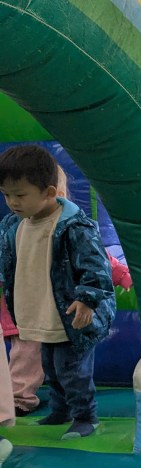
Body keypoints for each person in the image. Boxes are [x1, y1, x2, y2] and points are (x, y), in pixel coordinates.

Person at [0, 146, 116, 439]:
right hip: (43, 312)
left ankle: (85, 416)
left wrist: (87, 300)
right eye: (6, 195)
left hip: (72, 315)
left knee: (72, 370)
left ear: (50, 192)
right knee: (50, 367)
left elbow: (96, 266)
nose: (12, 202)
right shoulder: (14, 225)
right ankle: (60, 410)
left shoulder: (74, 226)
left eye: (20, 195)